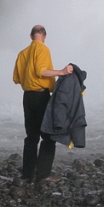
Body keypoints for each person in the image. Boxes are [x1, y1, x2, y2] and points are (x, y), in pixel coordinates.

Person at [13, 25, 72, 183]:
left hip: (28, 97)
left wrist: (29, 80)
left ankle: (27, 174)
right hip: (41, 96)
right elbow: (41, 70)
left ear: (31, 36)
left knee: (31, 137)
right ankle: (43, 174)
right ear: (44, 36)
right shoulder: (43, 49)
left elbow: (17, 79)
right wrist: (62, 72)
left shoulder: (22, 53)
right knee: (47, 136)